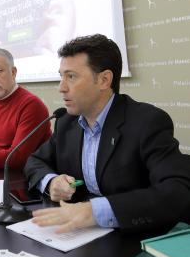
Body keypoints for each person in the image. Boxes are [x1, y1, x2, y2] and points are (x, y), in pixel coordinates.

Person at [25, 34, 190, 233]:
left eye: (71, 76)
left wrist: (94, 211)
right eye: (61, 76)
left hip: (132, 236)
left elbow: (176, 192)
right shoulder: (66, 122)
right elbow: (34, 161)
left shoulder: (147, 122)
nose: (61, 87)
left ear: (104, 80)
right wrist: (52, 182)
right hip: (82, 236)